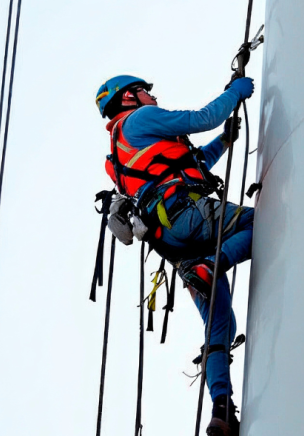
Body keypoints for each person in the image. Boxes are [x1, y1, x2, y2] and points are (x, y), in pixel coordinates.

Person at [95, 74, 255, 436]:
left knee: (220, 325)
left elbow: (185, 169)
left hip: (171, 242)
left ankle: (221, 409)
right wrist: (234, 92)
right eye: (145, 91)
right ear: (128, 98)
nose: (152, 96)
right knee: (265, 223)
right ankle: (213, 264)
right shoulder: (139, 120)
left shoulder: (121, 153)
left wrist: (225, 142)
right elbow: (201, 118)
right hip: (186, 216)